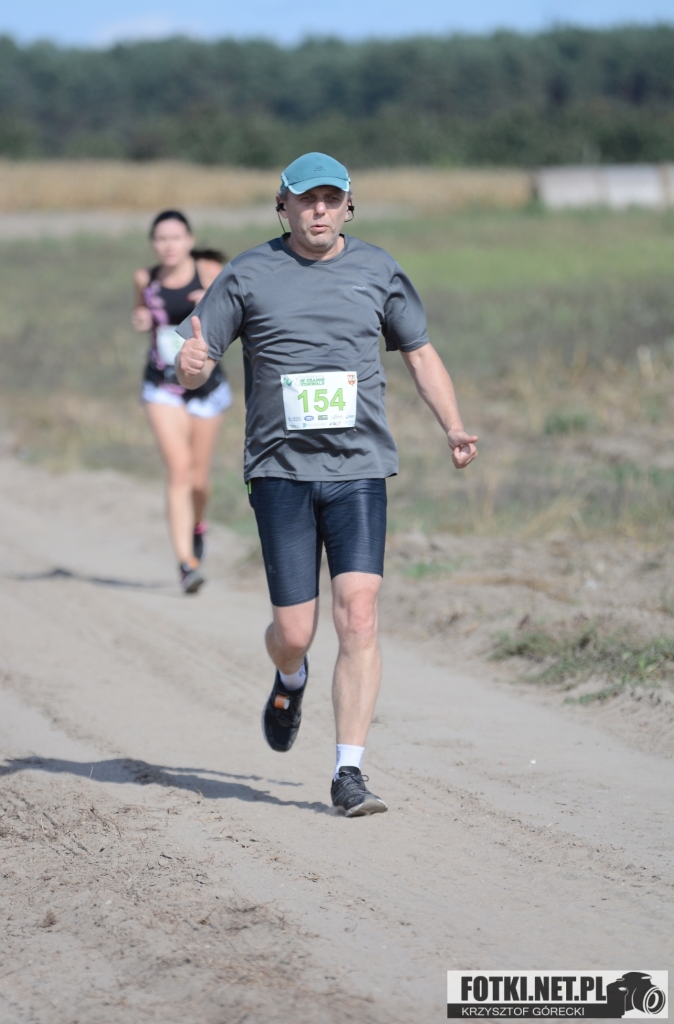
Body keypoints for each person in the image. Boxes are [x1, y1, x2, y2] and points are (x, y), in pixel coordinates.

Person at [175, 153, 478, 815]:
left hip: (358, 468)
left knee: (359, 614)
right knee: (295, 631)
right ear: (281, 206)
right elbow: (193, 359)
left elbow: (419, 353)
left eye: (330, 199)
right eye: (305, 199)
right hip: (279, 472)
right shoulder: (248, 272)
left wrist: (452, 425)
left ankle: (348, 772)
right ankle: (290, 677)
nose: (318, 210)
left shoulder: (378, 270)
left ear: (348, 206)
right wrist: (190, 365)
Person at [132, 210, 232, 594]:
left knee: (199, 480)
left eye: (175, 237)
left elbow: (234, 314)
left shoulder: (208, 271)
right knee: (178, 471)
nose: (168, 245)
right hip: (162, 385)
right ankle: (187, 564)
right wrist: (142, 318)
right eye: (161, 239)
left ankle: (197, 525)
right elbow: (143, 313)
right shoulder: (146, 279)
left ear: (189, 240)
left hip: (206, 386)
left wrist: (210, 301)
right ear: (153, 244)